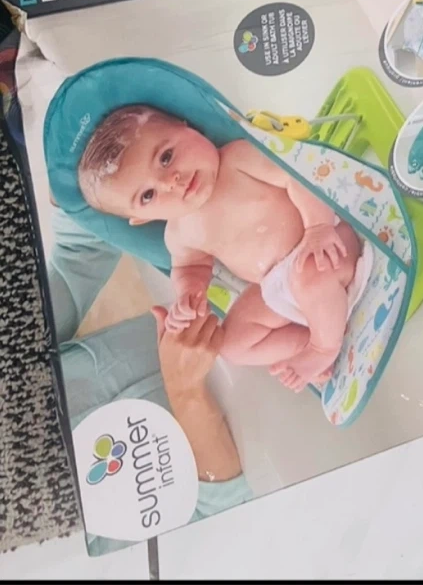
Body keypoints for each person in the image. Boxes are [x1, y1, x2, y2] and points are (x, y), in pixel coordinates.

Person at [77, 105, 370, 390]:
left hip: (324, 246)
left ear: (184, 126)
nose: (171, 182)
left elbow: (297, 179)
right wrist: (188, 296)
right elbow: (191, 267)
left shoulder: (237, 158)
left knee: (308, 276)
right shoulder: (178, 234)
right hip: (276, 287)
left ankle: (323, 347)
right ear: (141, 218)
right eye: (148, 195)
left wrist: (318, 228)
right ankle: (307, 339)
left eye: (166, 157)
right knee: (231, 344)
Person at [47, 209, 252, 555]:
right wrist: (185, 391)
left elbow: (80, 253)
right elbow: (224, 522)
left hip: (240, 278)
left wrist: (73, 189)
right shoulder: (52, 553)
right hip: (289, 441)